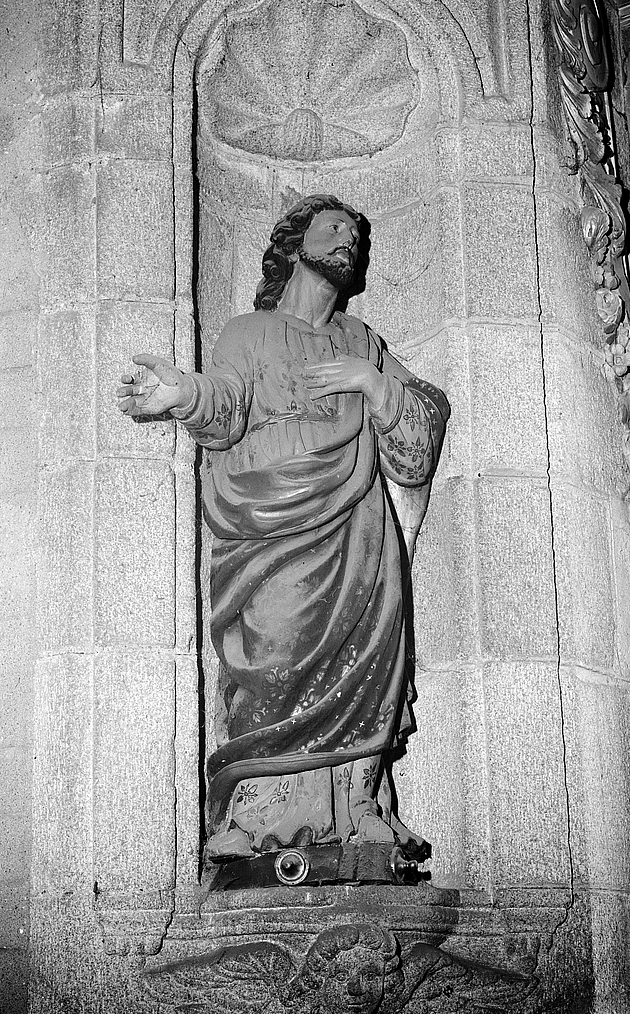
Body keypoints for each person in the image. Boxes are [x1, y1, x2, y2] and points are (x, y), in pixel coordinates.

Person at [117, 195, 449, 861]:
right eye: (332, 227)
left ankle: (356, 815)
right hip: (268, 534)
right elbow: (228, 405)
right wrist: (182, 393)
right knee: (270, 663)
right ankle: (261, 818)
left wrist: (373, 384)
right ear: (294, 242)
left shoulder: (363, 344)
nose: (346, 240)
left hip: (355, 535)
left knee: (359, 669)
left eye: (355, 234)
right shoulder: (247, 332)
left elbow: (420, 439)